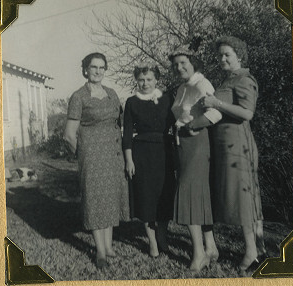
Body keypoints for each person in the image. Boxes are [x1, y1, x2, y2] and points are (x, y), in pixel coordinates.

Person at [200, 36, 266, 274]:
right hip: (226, 147)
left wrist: (216, 103)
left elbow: (247, 113)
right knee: (241, 199)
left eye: (227, 54)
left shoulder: (244, 79)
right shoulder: (229, 78)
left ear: (240, 55)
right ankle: (258, 248)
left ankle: (251, 252)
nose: (222, 58)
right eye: (220, 55)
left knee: (243, 200)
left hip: (238, 147)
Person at [64, 52, 129, 269]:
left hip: (112, 154)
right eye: (94, 67)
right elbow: (69, 134)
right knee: (95, 199)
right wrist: (83, 154)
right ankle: (100, 252)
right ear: (85, 69)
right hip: (91, 157)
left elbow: (118, 124)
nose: (98, 71)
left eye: (102, 67)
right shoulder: (79, 96)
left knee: (110, 198)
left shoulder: (111, 94)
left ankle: (109, 246)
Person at [169, 43, 222, 272]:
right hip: (182, 145)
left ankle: (199, 254)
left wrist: (194, 124)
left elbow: (217, 112)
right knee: (198, 196)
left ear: (193, 63)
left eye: (184, 63)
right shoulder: (182, 88)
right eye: (176, 65)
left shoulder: (202, 83)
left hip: (198, 144)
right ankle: (210, 248)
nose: (180, 67)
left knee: (189, 195)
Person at [123, 63, 176, 258]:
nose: (145, 83)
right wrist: (129, 160)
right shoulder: (131, 102)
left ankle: (162, 239)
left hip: (164, 153)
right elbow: (127, 134)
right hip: (142, 154)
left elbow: (177, 125)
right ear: (136, 81)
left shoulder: (167, 99)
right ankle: (152, 243)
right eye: (141, 80)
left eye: (149, 79)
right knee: (146, 198)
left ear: (156, 80)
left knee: (164, 196)